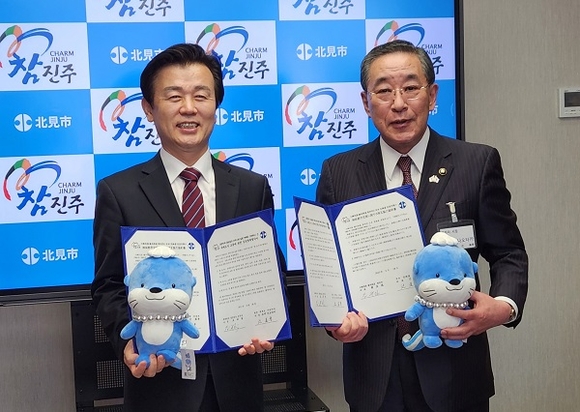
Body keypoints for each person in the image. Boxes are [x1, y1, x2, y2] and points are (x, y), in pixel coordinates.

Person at [316, 40, 528, 412]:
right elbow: (326, 271)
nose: (399, 103)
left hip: (456, 369)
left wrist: (504, 306)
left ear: (432, 96)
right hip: (374, 375)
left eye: (411, 88)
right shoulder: (339, 172)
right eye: (384, 91)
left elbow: (509, 253)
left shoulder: (476, 163)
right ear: (366, 102)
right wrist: (335, 322)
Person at [91, 43, 279, 412]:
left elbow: (270, 273)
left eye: (201, 95)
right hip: (159, 384)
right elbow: (108, 285)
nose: (189, 108)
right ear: (149, 108)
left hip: (237, 381)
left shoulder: (252, 187)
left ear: (216, 105)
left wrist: (268, 322)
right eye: (174, 96)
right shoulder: (118, 191)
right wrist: (129, 342)